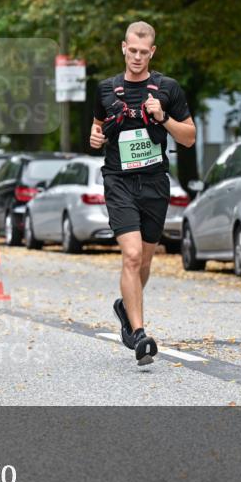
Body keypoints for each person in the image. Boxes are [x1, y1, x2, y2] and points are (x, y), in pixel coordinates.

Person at [89, 21, 196, 366]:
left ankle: (125, 306)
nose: (136, 57)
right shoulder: (106, 89)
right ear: (123, 48)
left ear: (152, 52)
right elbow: (97, 129)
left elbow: (189, 137)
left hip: (154, 183)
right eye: (131, 50)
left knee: (146, 260)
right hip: (119, 181)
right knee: (132, 256)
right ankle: (138, 334)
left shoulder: (168, 88)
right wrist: (95, 139)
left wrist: (162, 117)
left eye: (143, 52)